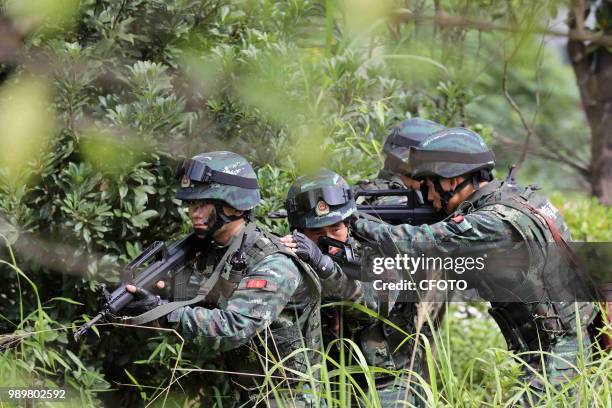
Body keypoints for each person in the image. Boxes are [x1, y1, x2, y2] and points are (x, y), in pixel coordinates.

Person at [348, 127, 597, 404]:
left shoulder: (493, 223)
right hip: (566, 342)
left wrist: (352, 223)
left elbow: (420, 241)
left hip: (559, 354)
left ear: (453, 179)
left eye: (430, 184)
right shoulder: (519, 199)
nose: (428, 196)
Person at [124, 151, 322, 407]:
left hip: (290, 398)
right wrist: (155, 298)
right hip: (244, 394)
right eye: (191, 205)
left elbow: (236, 327)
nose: (193, 213)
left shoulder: (274, 262)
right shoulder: (210, 251)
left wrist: (164, 313)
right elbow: (197, 301)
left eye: (203, 204)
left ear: (233, 205)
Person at [279, 169, 424, 407]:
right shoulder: (294, 254)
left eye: (336, 229)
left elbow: (374, 305)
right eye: (317, 233)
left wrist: (324, 266)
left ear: (349, 222)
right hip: (322, 378)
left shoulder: (379, 248)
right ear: (300, 232)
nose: (329, 241)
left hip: (385, 378)